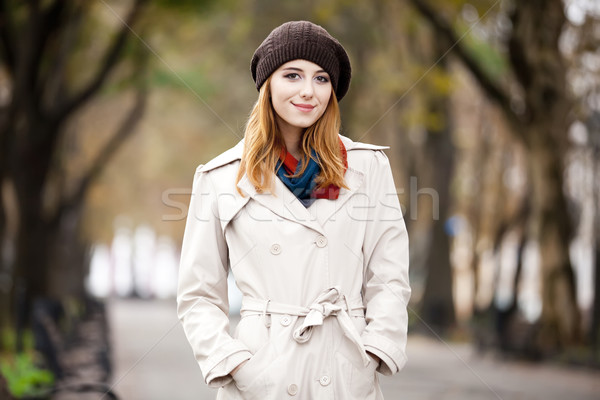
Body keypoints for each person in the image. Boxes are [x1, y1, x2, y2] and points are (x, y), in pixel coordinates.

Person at [177, 20, 411, 400]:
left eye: (321, 79)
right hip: (260, 373)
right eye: (293, 75)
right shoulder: (220, 177)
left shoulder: (367, 167)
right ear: (268, 84)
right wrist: (233, 363)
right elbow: (198, 293)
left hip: (343, 371)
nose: (308, 91)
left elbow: (389, 275)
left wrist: (374, 350)